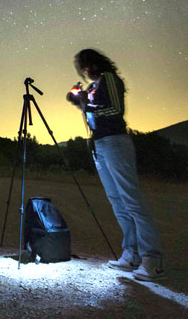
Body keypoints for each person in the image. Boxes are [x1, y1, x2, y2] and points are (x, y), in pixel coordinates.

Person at [67, 48, 166, 281]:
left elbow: (115, 110)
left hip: (115, 142)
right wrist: (79, 102)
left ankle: (152, 259)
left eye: (83, 66)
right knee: (117, 201)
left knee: (131, 200)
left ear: (91, 64)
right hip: (100, 145)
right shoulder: (93, 87)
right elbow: (93, 113)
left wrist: (85, 103)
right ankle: (131, 254)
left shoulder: (109, 79)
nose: (83, 72)